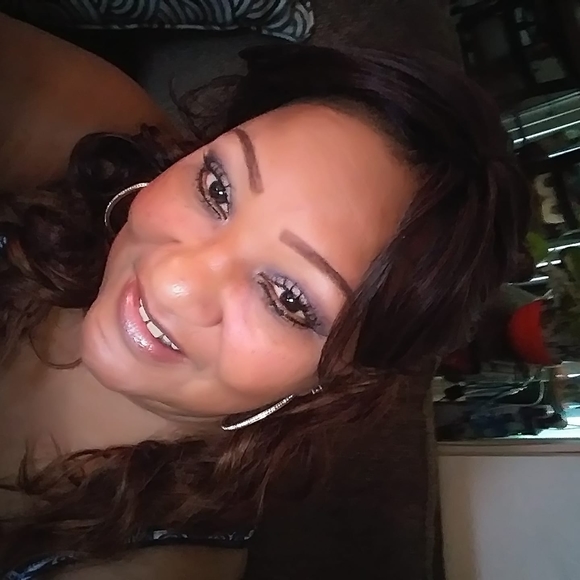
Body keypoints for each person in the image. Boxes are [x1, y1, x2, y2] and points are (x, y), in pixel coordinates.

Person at [0, 35, 532, 579]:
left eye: (288, 297)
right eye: (217, 190)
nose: (175, 281)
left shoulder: (147, 566)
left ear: (343, 377)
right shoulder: (102, 140)